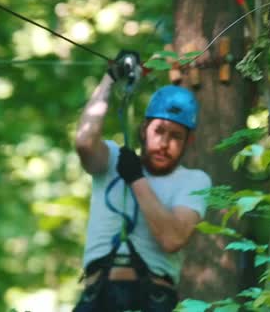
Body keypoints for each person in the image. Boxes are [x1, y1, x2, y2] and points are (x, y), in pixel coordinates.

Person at [72, 51, 212, 312]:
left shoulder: (193, 181)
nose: (164, 143)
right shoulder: (112, 159)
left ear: (188, 143)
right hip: (97, 297)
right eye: (158, 130)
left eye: (176, 136)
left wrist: (137, 179)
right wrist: (111, 78)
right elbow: (84, 141)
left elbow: (172, 239)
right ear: (143, 129)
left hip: (153, 300)